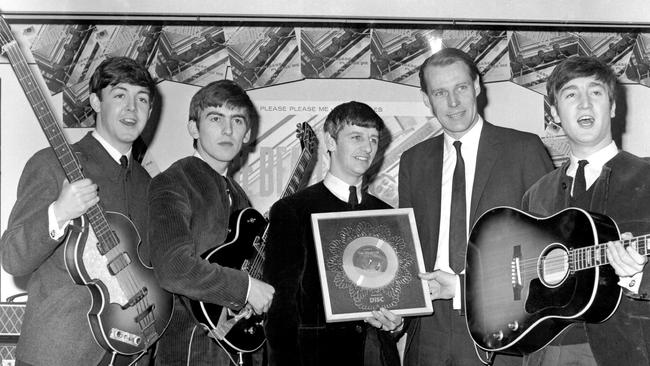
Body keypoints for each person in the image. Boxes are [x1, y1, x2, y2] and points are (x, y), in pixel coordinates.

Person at [371, 48, 554, 366]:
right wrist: (399, 311)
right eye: (440, 92)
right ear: (426, 100)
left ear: (478, 86)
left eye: (461, 88)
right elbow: (409, 249)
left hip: (501, 329)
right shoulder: (413, 161)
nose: (453, 103)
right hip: (428, 330)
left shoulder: (524, 149)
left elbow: (550, 249)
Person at [1, 56, 157, 366]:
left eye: (142, 99)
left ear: (150, 111)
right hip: (58, 352)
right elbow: (12, 257)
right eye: (119, 95)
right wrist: (58, 213)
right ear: (95, 102)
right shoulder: (53, 162)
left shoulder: (147, 183)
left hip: (130, 353)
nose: (131, 108)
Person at [522, 56, 650, 366]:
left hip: (622, 351)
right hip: (543, 350)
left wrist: (639, 276)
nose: (584, 104)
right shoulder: (535, 195)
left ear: (613, 107)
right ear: (554, 112)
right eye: (570, 94)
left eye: (595, 92)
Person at [147, 80, 275, 365]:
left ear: (247, 134)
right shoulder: (173, 182)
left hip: (236, 351)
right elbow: (173, 268)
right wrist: (246, 288)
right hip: (189, 350)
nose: (227, 130)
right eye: (215, 118)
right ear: (194, 128)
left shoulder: (238, 195)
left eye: (237, 120)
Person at [263, 101, 395, 366]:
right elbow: (281, 311)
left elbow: (396, 293)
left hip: (377, 357)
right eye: (356, 137)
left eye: (373, 139)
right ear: (330, 141)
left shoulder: (388, 214)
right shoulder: (292, 210)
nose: (367, 148)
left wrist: (396, 323)